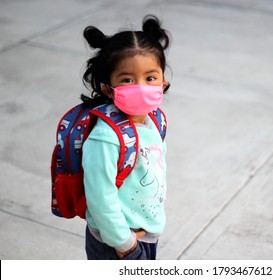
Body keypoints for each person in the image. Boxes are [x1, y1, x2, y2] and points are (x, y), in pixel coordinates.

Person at [80, 15, 171, 260]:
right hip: (117, 243)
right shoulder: (105, 137)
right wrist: (125, 243)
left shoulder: (156, 120)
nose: (140, 86)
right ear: (107, 88)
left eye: (150, 78)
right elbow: (100, 197)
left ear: (163, 81)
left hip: (147, 234)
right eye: (127, 80)